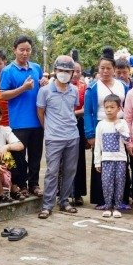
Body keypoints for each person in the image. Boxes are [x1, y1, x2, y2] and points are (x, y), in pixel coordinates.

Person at [0, 35, 47, 197]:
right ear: (14, 50)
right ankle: (22, 185)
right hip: (19, 122)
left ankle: (34, 184)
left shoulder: (36, 68)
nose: (25, 53)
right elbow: (3, 95)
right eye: (21, 50)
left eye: (28, 50)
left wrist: (44, 84)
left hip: (37, 120)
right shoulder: (7, 71)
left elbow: (42, 88)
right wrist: (23, 88)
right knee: (19, 157)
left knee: (36, 156)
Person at [36, 55, 80, 219]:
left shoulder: (74, 90)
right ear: (55, 71)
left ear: (72, 73)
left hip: (72, 136)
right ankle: (47, 205)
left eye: (67, 71)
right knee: (52, 171)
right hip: (53, 137)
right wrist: (47, 128)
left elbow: (72, 110)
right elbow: (41, 112)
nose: (64, 73)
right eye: (61, 70)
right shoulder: (45, 90)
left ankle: (65, 201)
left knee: (69, 171)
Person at [84, 55, 129, 206]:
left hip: (120, 126)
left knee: (121, 161)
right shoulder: (92, 87)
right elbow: (88, 112)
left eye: (108, 68)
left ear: (114, 69)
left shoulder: (123, 86)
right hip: (101, 126)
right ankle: (101, 199)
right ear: (98, 69)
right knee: (101, 162)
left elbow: (128, 108)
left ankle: (121, 199)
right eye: (102, 68)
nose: (105, 71)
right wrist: (90, 134)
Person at [94, 93, 131, 218]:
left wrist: (120, 129)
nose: (109, 110)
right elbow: (98, 144)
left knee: (120, 183)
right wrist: (97, 162)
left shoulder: (123, 123)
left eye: (112, 107)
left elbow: (127, 140)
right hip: (106, 159)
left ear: (119, 108)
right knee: (107, 183)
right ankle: (108, 205)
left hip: (120, 159)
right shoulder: (101, 125)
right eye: (107, 107)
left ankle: (117, 207)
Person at [72, 60, 88, 205]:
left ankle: (77, 193)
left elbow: (87, 108)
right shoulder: (58, 86)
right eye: (73, 70)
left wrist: (73, 113)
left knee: (79, 159)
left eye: (78, 71)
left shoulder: (84, 87)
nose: (76, 74)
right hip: (62, 125)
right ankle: (62, 192)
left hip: (79, 123)